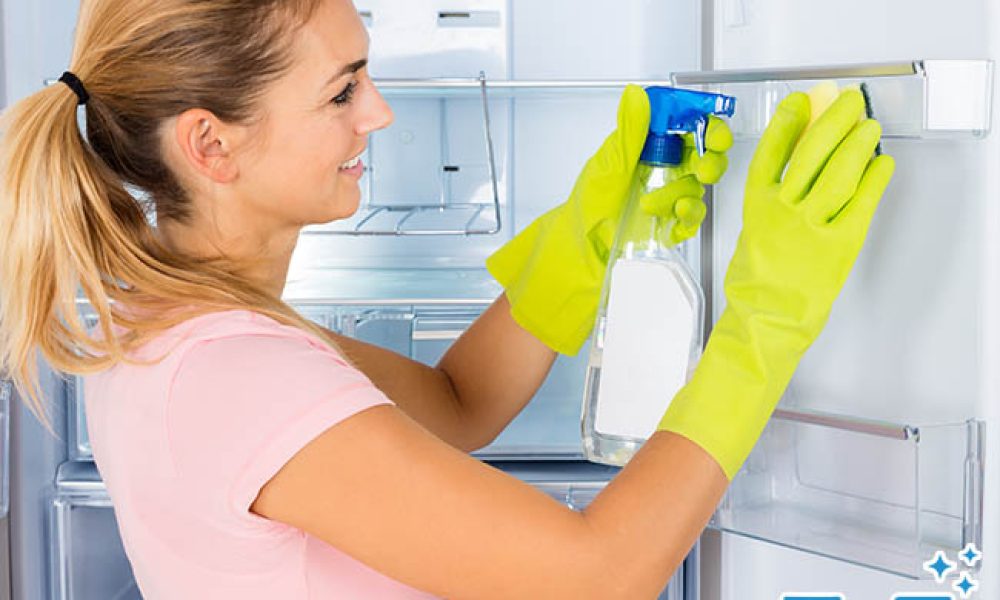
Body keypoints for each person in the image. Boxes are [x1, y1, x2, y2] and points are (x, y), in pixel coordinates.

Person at [0, 0, 894, 597]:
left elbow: (458, 407)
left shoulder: (185, 316)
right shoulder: (231, 373)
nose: (378, 112)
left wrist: (580, 235)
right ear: (212, 145)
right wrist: (765, 322)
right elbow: (599, 576)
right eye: (342, 88)